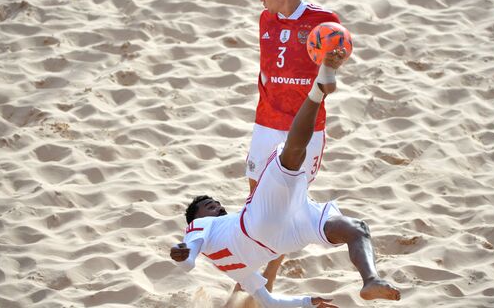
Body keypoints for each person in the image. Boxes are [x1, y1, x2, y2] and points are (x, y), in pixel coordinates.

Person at [171, 53, 401, 307]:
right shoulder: (201, 228)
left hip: (283, 238)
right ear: (196, 218)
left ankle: (370, 279)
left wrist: (308, 302)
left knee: (356, 229)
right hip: (256, 224)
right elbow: (190, 254)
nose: (214, 203)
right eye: (207, 204)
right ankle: (318, 89)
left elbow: (269, 302)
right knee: (289, 153)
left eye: (214, 201)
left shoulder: (238, 271)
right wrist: (184, 255)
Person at [248, 0, 344, 291]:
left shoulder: (325, 24)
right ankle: (255, 279)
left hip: (304, 131)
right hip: (265, 123)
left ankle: (263, 284)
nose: (261, 2)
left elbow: (330, 80)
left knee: (281, 207)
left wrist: (330, 69)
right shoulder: (266, 19)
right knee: (254, 204)